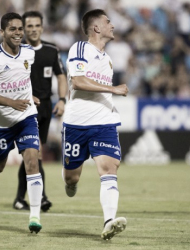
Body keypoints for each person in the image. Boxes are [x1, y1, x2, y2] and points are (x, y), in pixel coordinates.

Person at [62, 9, 129, 240]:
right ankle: (70, 183)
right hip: (77, 124)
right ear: (96, 27)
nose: (113, 25)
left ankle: (109, 221)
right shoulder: (80, 49)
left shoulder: (107, 59)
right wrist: (114, 89)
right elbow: (79, 82)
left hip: (104, 122)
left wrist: (111, 93)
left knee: (109, 169)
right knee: (72, 179)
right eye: (108, 21)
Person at [0, 12, 42, 234]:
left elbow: (24, 76)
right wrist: (10, 102)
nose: (18, 33)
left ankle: (34, 216)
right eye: (12, 29)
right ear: (2, 32)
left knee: (32, 160)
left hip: (26, 117)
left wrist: (28, 96)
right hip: (1, 123)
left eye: (20, 29)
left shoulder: (29, 52)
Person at [12, 11, 67, 212]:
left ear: (42, 28)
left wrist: (62, 99)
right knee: (35, 153)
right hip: (24, 108)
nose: (33, 29)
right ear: (23, 29)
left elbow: (61, 76)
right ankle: (41, 197)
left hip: (44, 106)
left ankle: (19, 199)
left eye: (37, 26)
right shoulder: (16, 51)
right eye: (29, 26)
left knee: (32, 154)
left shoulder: (51, 51)